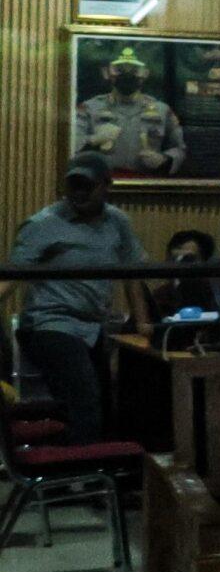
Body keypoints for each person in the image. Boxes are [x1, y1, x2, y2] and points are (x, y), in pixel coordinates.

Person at [5, 155, 151, 444]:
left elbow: (132, 272)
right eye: (74, 186)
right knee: (84, 399)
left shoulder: (118, 221)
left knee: (109, 403)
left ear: (107, 185)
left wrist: (144, 323)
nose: (79, 193)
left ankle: (100, 461)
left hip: (94, 327)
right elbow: (11, 275)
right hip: (50, 324)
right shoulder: (44, 224)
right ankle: (78, 465)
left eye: (87, 186)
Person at [74, 46, 186, 176]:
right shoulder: (89, 108)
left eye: (135, 70)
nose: (127, 75)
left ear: (145, 73)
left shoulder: (162, 111)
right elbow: (69, 144)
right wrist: (94, 140)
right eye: (119, 69)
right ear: (106, 72)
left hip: (146, 182)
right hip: (101, 182)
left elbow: (180, 149)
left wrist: (164, 159)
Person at [149, 229, 220, 319]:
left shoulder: (215, 295)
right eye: (174, 260)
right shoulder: (161, 296)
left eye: (188, 260)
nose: (179, 267)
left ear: (204, 263)